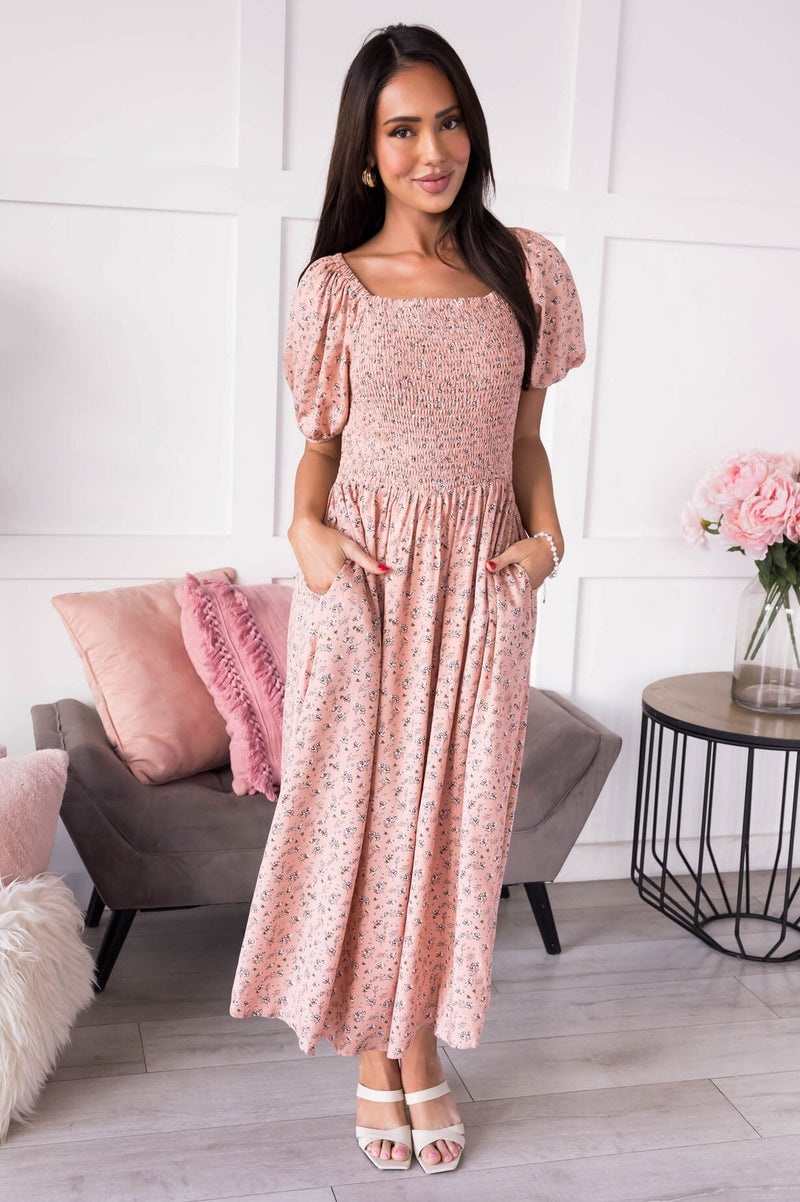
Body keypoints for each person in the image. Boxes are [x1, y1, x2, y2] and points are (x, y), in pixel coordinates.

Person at [229, 21, 586, 1175]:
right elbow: (318, 454)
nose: (431, 150)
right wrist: (307, 539)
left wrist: (546, 540)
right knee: (365, 824)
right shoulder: (333, 288)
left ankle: (415, 1039)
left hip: (481, 584)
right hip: (367, 587)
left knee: (453, 827)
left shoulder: (526, 269)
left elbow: (524, 440)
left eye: (447, 122)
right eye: (401, 130)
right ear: (366, 152)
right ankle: (378, 1057)